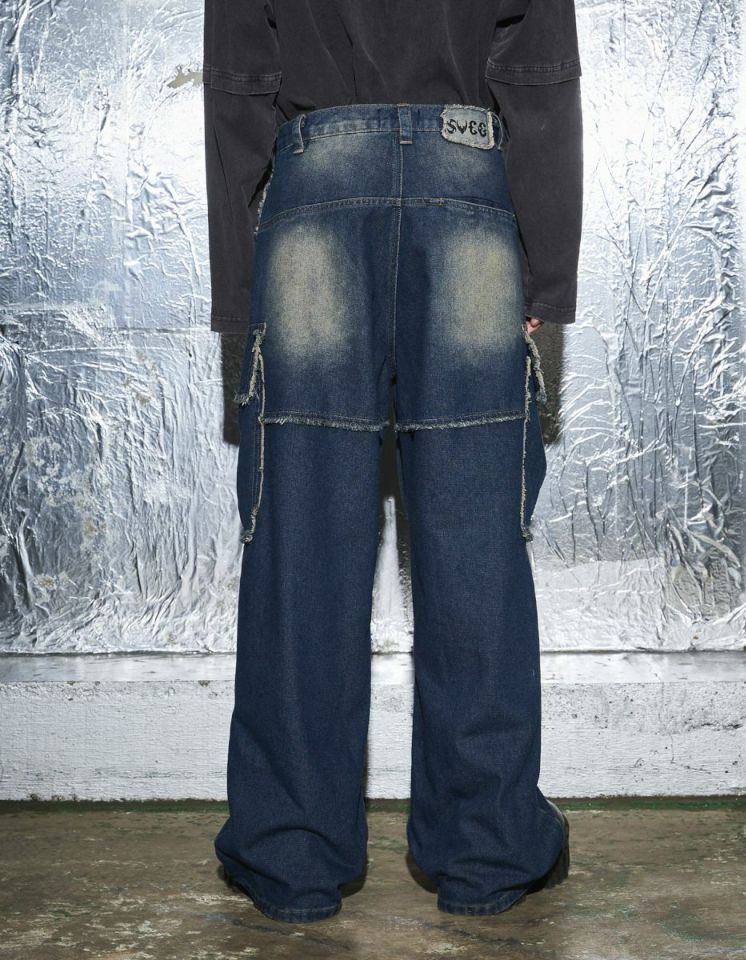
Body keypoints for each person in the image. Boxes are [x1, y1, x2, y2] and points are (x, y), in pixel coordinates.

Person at [202, 0, 583, 923]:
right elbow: (536, 71)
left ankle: (292, 858)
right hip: (468, 185)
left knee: (301, 544)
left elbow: (241, 77)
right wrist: (547, 271)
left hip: (318, 184)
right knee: (477, 544)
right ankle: (487, 851)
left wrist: (240, 292)